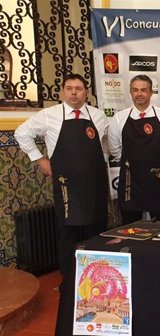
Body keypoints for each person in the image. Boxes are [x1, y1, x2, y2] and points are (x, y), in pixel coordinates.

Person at [15, 74, 109, 278]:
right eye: (69, 88)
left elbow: (105, 147)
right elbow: (21, 133)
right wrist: (39, 159)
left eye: (79, 88)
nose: (74, 92)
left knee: (97, 230)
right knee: (68, 233)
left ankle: (98, 280)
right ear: (62, 92)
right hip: (67, 186)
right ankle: (68, 281)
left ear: (87, 92)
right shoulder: (49, 115)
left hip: (95, 183)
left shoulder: (98, 116)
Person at [109, 74, 160, 224]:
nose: (139, 94)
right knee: (129, 228)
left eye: (143, 90)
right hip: (130, 183)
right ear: (130, 93)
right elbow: (114, 149)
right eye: (135, 90)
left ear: (151, 92)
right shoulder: (119, 118)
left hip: (159, 181)